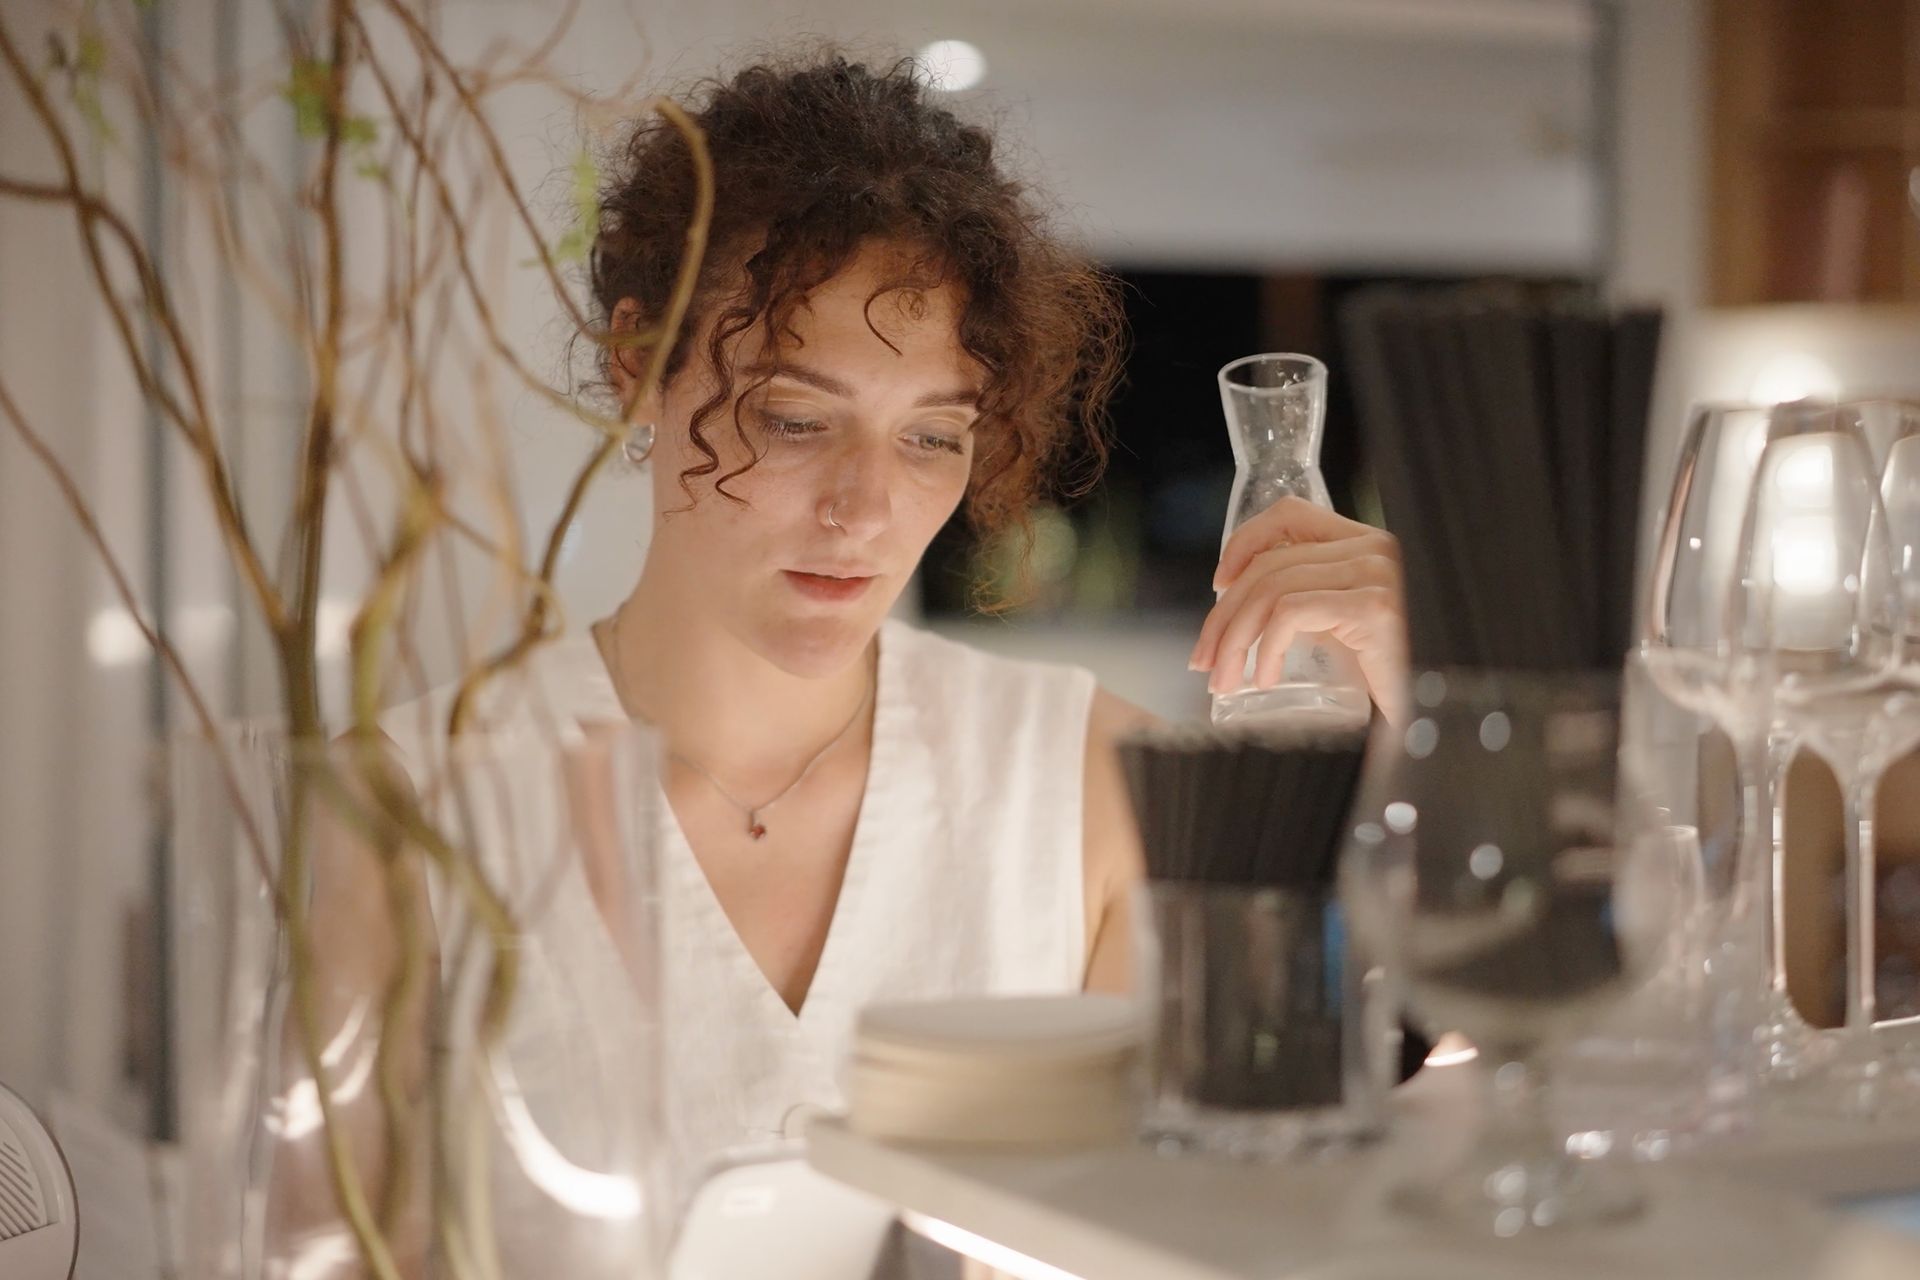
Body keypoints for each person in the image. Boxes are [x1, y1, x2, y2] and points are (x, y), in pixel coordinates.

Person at [366, 49, 1410, 1265]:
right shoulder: (410, 804)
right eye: (796, 418)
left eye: (929, 435)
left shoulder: (1090, 786)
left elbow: (1273, 1182)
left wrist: (1420, 693)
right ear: (635, 368)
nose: (865, 510)